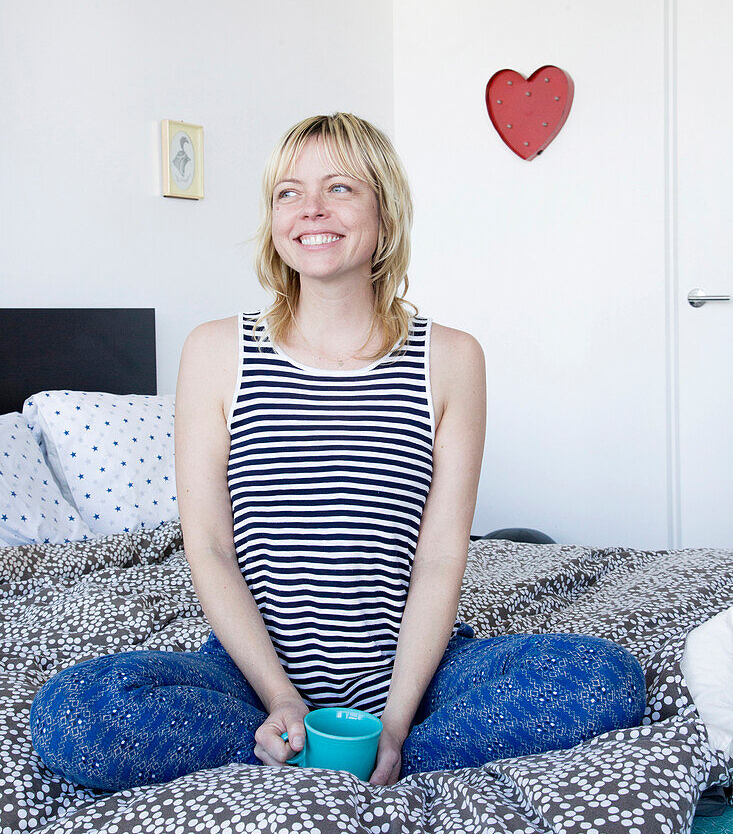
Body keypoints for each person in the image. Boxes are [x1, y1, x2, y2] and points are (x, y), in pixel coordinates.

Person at [28, 112, 646, 793]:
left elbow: (441, 555)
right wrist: (281, 701)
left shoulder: (450, 359)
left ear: (384, 209)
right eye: (287, 192)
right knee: (76, 713)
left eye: (340, 188)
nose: (310, 209)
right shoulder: (215, 351)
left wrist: (398, 721)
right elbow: (207, 546)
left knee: (601, 681)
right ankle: (290, 749)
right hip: (252, 676)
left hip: (412, 668)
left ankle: (366, 760)